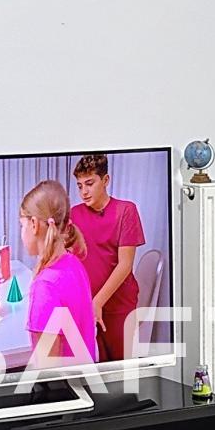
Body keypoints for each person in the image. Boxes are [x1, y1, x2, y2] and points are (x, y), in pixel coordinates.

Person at [70, 153, 147, 360]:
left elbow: (125, 265)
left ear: (105, 180)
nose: (84, 192)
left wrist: (97, 303)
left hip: (119, 305)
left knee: (122, 366)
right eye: (79, 186)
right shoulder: (74, 214)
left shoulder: (126, 210)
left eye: (89, 183)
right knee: (95, 365)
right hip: (86, 305)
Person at [18, 179, 98, 365]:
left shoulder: (45, 286)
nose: (22, 232)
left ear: (34, 224)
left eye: (22, 225)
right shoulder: (74, 263)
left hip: (69, 380)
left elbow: (47, 370)